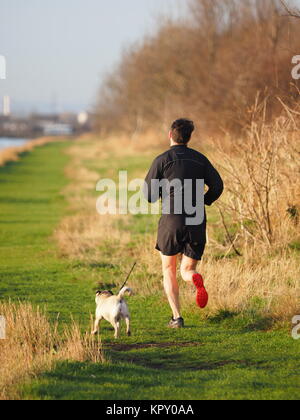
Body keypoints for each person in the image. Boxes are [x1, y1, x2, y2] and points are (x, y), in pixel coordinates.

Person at [144, 119, 224, 328]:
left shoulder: (162, 160)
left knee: (168, 269)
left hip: (171, 220)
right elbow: (217, 185)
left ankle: (177, 317)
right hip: (196, 219)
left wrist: (162, 191)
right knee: (187, 269)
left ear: (170, 135)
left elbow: (149, 195)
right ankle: (194, 278)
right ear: (189, 137)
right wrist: (204, 200)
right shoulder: (200, 159)